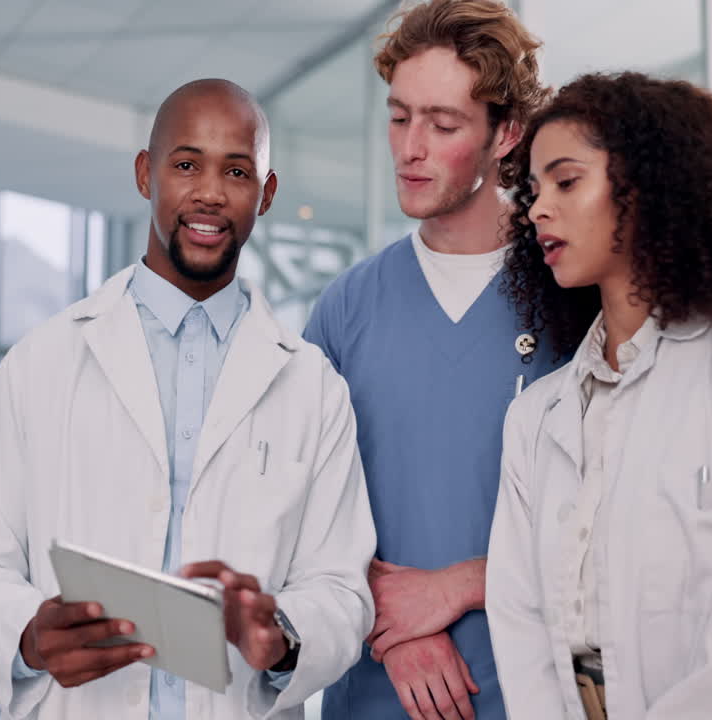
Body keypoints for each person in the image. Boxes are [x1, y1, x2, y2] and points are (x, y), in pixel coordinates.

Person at [0, 78, 375, 720]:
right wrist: (28, 635)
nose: (210, 193)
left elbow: (341, 589)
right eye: (186, 165)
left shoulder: (313, 387)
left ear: (267, 193)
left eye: (237, 171)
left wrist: (281, 634)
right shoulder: (40, 363)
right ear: (146, 174)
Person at [486, 71, 712, 719]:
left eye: (566, 182)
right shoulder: (537, 416)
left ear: (647, 189)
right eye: (533, 190)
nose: (537, 209)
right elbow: (520, 621)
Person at [303, 2, 559, 718]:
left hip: (530, 694)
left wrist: (462, 584)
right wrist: (389, 630)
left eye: (443, 126)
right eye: (398, 117)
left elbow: (616, 529)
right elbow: (296, 510)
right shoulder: (347, 308)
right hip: (371, 695)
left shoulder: (569, 298)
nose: (411, 148)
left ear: (505, 135)